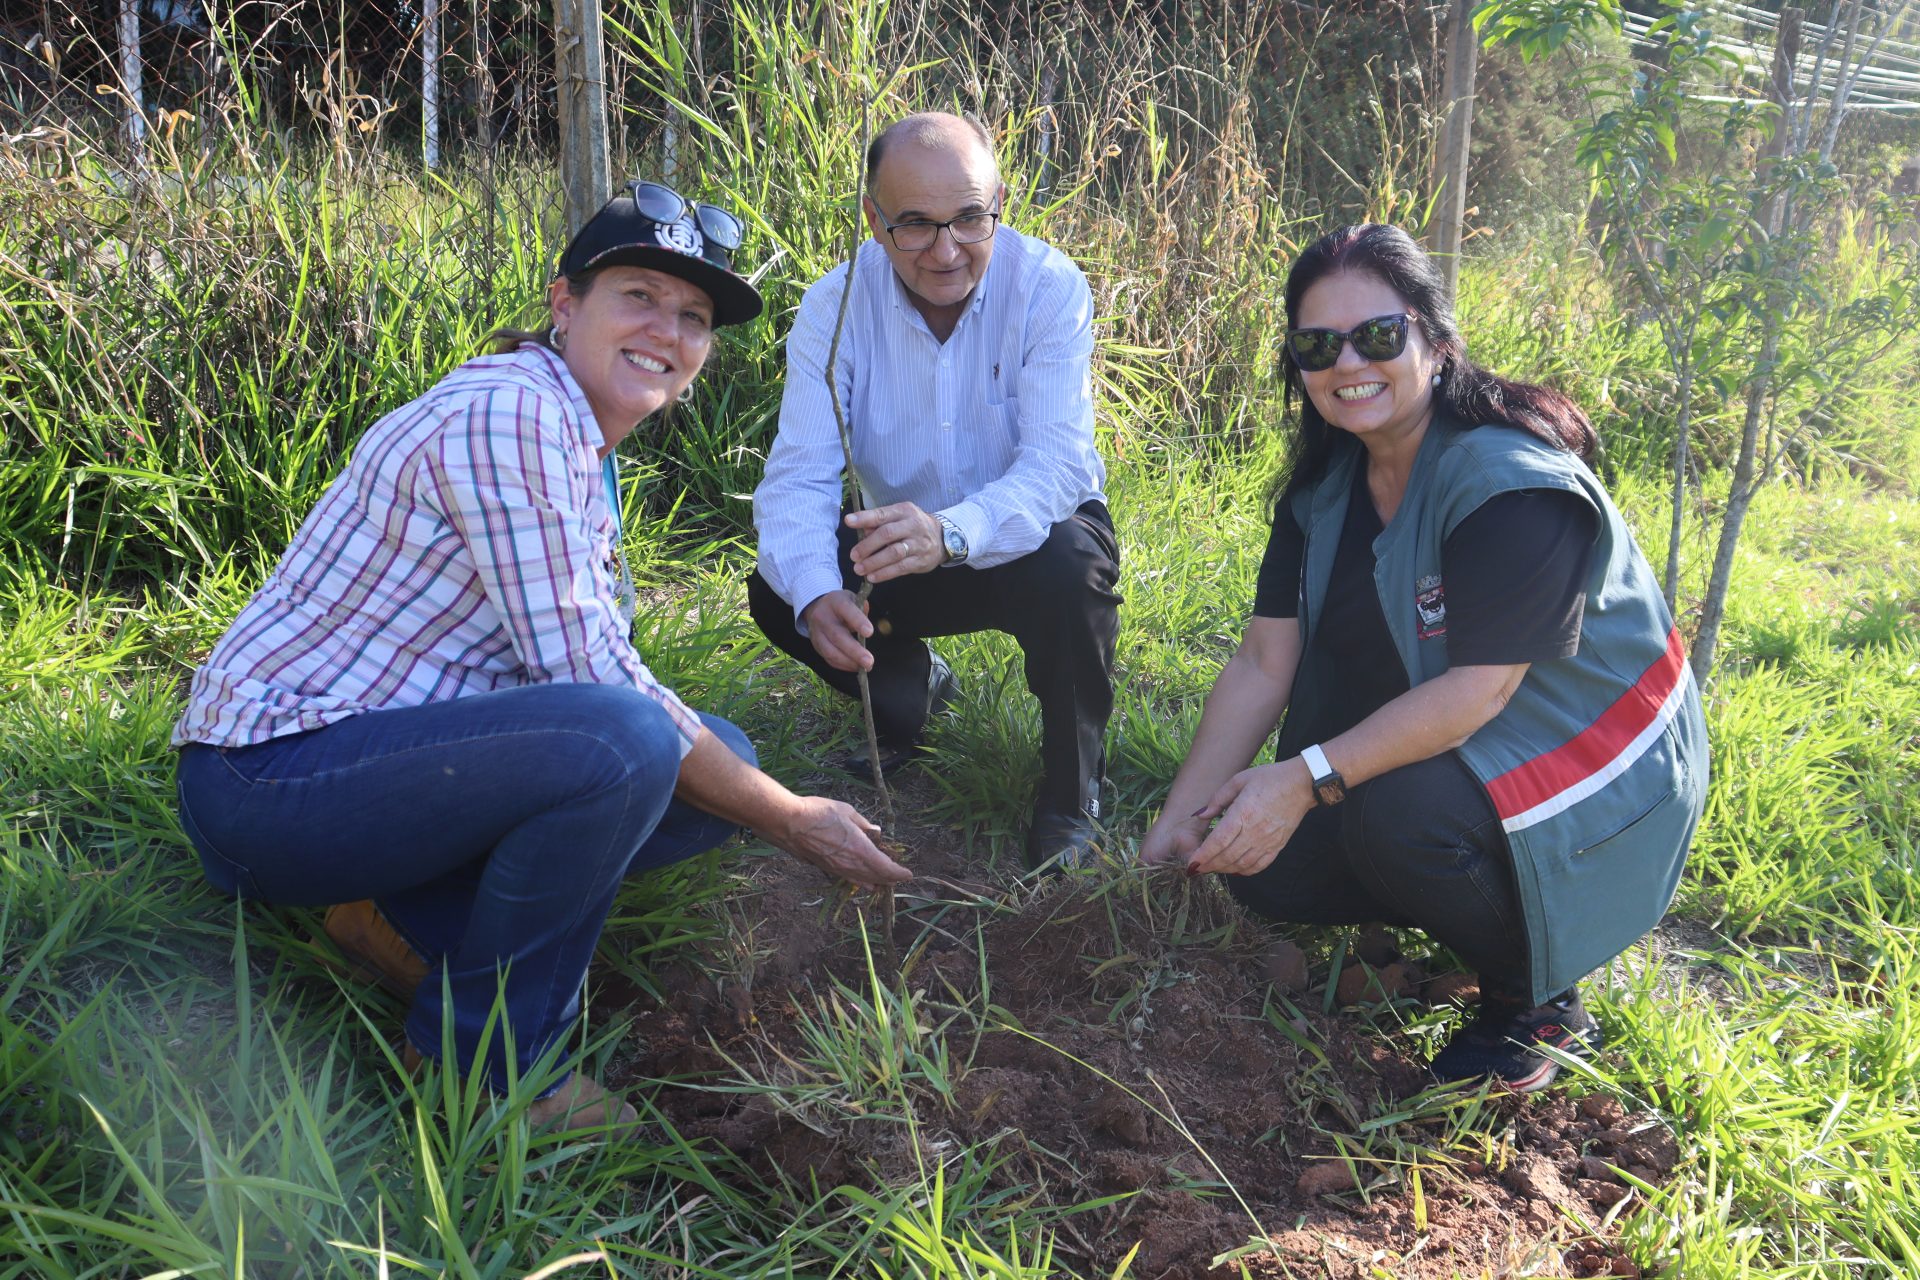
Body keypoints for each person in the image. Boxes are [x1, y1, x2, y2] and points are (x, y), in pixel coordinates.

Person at [173, 182, 910, 1130]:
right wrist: (794, 822)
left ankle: (394, 920)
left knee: (712, 760)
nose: (669, 331)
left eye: (693, 317)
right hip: (266, 785)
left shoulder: (574, 436)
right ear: (565, 304)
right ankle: (489, 1068)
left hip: (361, 764)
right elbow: (593, 682)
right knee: (630, 748)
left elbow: (583, 671)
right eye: (637, 295)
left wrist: (761, 801)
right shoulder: (512, 414)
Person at [1139, 224, 1708, 1093]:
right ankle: (1457, 914)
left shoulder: (1507, 480)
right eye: (1316, 344)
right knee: (1259, 867)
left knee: (1394, 816)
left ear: (1435, 343)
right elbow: (1263, 660)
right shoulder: (1326, 489)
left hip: (1608, 763)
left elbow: (1479, 692)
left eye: (1377, 335)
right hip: (1487, 748)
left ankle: (1539, 1001)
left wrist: (1302, 778)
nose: (1347, 362)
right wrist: (1175, 827)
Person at [748, 111, 1121, 870]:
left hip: (1027, 539)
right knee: (778, 587)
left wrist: (951, 531)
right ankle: (916, 695)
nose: (946, 251)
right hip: (899, 547)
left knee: (1073, 568)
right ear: (874, 219)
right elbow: (800, 474)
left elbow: (1055, 466)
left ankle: (1072, 792)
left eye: (968, 219)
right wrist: (819, 592)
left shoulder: (1048, 287)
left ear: (1000, 202)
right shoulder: (835, 305)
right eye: (914, 224)